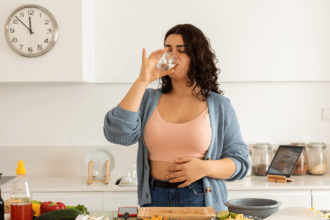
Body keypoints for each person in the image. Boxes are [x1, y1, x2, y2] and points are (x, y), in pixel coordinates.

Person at [103, 24, 250, 211]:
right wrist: (142, 80)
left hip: (200, 197)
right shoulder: (148, 99)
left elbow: (240, 162)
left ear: (196, 57)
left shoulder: (219, 105)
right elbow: (118, 134)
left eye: (181, 50)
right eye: (168, 49)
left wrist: (204, 168)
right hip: (153, 197)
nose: (172, 55)